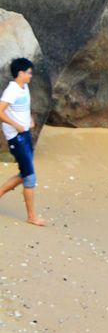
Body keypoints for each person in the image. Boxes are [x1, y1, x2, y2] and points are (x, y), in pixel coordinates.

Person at [0, 58, 48, 227]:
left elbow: (26, 107)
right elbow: (0, 112)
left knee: (25, 172)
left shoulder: (24, 87)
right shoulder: (11, 91)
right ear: (20, 73)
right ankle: (32, 216)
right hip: (16, 137)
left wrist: (30, 120)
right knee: (29, 176)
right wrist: (16, 125)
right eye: (28, 72)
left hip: (25, 134)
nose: (30, 76)